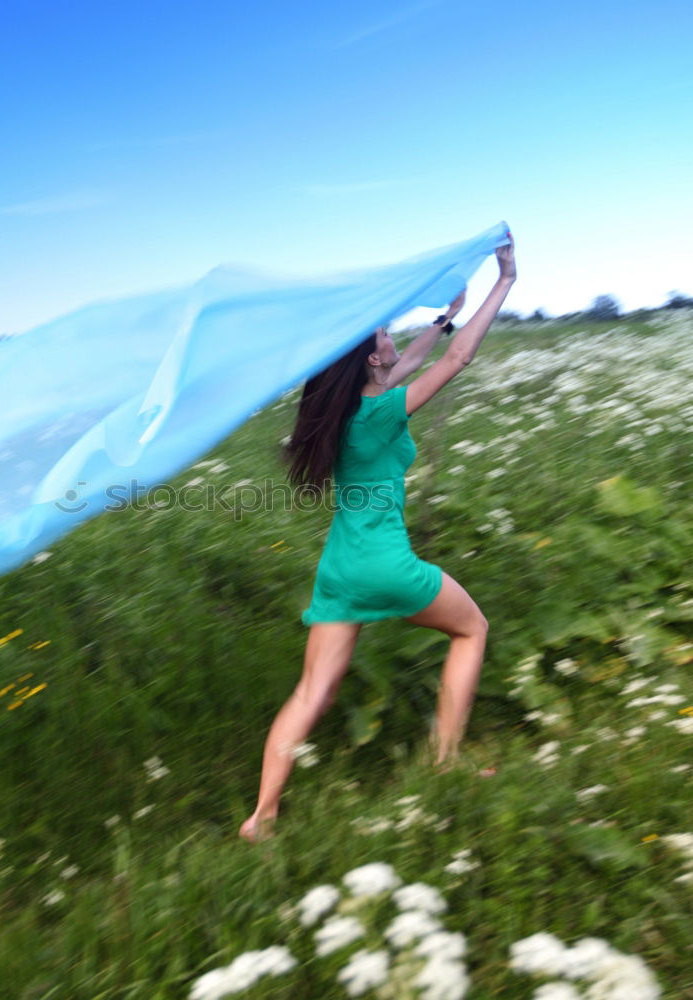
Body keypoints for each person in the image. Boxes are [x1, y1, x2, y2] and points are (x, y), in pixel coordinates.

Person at [239, 239, 518, 843]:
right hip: (387, 565)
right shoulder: (384, 412)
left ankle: (261, 817)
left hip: (339, 569)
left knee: (310, 692)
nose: (392, 338)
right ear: (370, 361)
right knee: (472, 631)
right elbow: (456, 361)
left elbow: (410, 362)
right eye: (384, 336)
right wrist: (504, 281)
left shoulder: (339, 413)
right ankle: (445, 761)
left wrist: (442, 320)